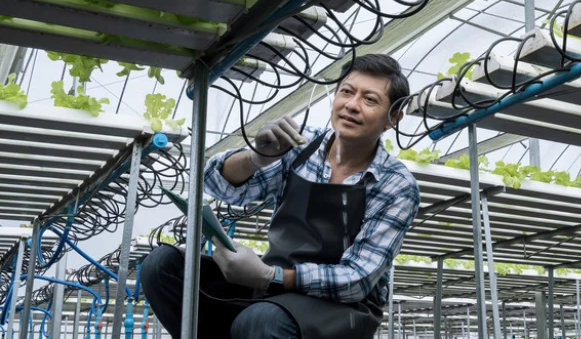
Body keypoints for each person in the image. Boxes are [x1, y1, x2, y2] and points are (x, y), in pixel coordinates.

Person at [140, 54, 420, 339]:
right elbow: (214, 183)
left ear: (393, 118)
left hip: (342, 307)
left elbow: (357, 279)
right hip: (271, 289)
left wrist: (269, 276)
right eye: (346, 92)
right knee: (162, 265)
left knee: (261, 321)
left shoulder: (396, 184)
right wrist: (255, 158)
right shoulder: (299, 145)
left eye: (369, 100)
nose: (352, 105)